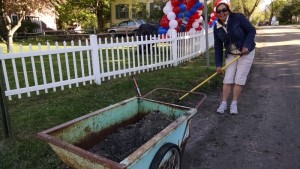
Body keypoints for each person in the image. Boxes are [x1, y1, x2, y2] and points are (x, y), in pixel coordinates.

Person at [213, 2, 256, 114]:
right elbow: (218, 47)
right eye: (219, 11)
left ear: (228, 10)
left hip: (246, 52)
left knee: (239, 79)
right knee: (228, 79)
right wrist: (218, 65)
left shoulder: (238, 18)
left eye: (224, 10)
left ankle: (234, 103)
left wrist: (246, 45)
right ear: (216, 14)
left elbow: (251, 30)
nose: (221, 13)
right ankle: (223, 103)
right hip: (232, 54)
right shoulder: (216, 27)